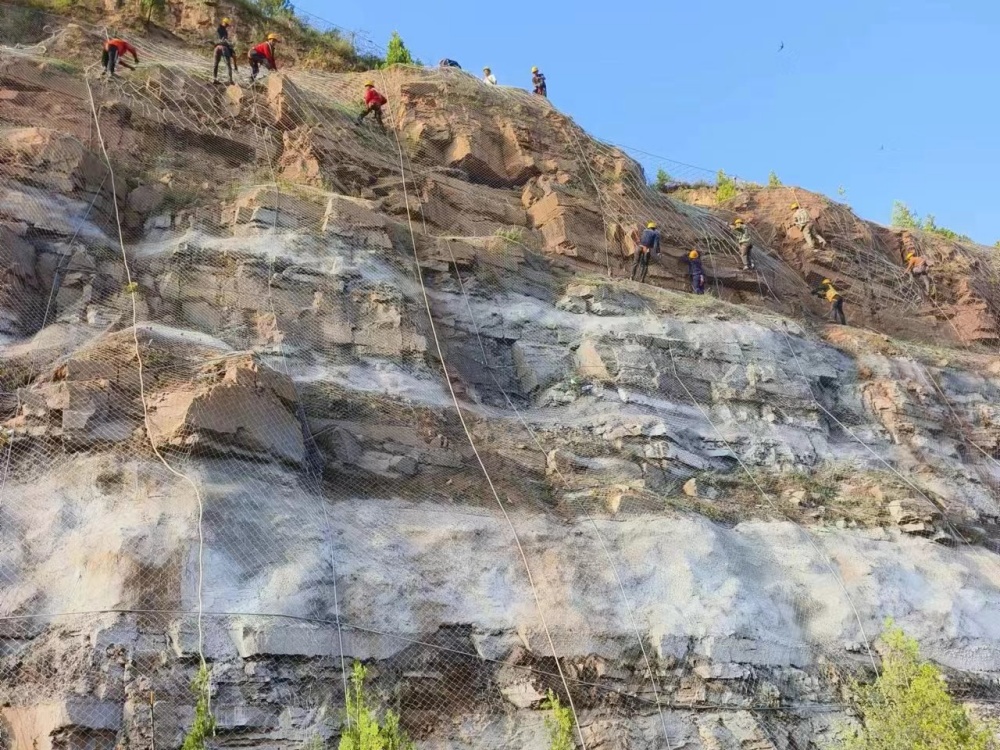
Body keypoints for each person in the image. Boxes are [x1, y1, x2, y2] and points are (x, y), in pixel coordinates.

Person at [213, 17, 238, 85]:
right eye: (226, 24)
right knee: (228, 65)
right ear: (224, 23)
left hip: (217, 47)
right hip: (223, 48)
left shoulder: (217, 29)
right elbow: (224, 40)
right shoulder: (223, 31)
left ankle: (214, 79)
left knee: (215, 64)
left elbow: (216, 39)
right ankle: (230, 80)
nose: (227, 26)